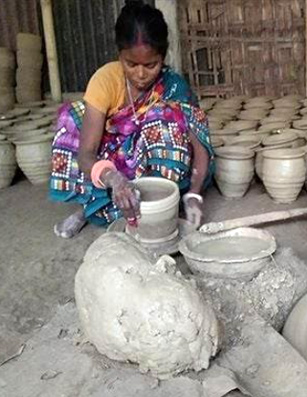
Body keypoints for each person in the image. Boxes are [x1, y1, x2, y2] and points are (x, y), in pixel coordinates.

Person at [50, 0, 213, 238]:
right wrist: (113, 179)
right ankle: (89, 207)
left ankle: (158, 205)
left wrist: (195, 194)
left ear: (163, 55)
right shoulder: (105, 80)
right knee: (72, 118)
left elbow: (199, 147)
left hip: (150, 166)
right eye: (131, 63)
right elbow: (86, 153)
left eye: (150, 65)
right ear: (119, 55)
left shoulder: (173, 85)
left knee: (165, 116)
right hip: (113, 167)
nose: (140, 73)